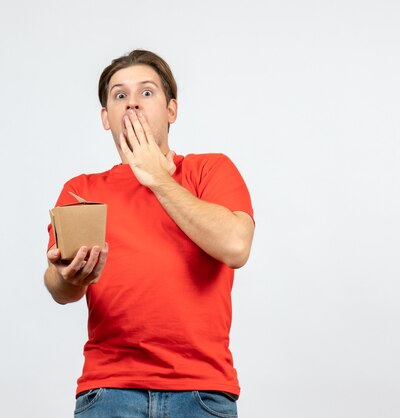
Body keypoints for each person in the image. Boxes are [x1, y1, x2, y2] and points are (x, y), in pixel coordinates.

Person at [44, 49, 254, 417]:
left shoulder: (210, 171)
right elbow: (60, 289)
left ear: (172, 110)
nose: (133, 104)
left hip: (202, 391)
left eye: (147, 92)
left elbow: (235, 246)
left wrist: (156, 176)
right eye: (120, 95)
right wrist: (67, 277)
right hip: (108, 391)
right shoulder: (82, 189)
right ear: (106, 117)